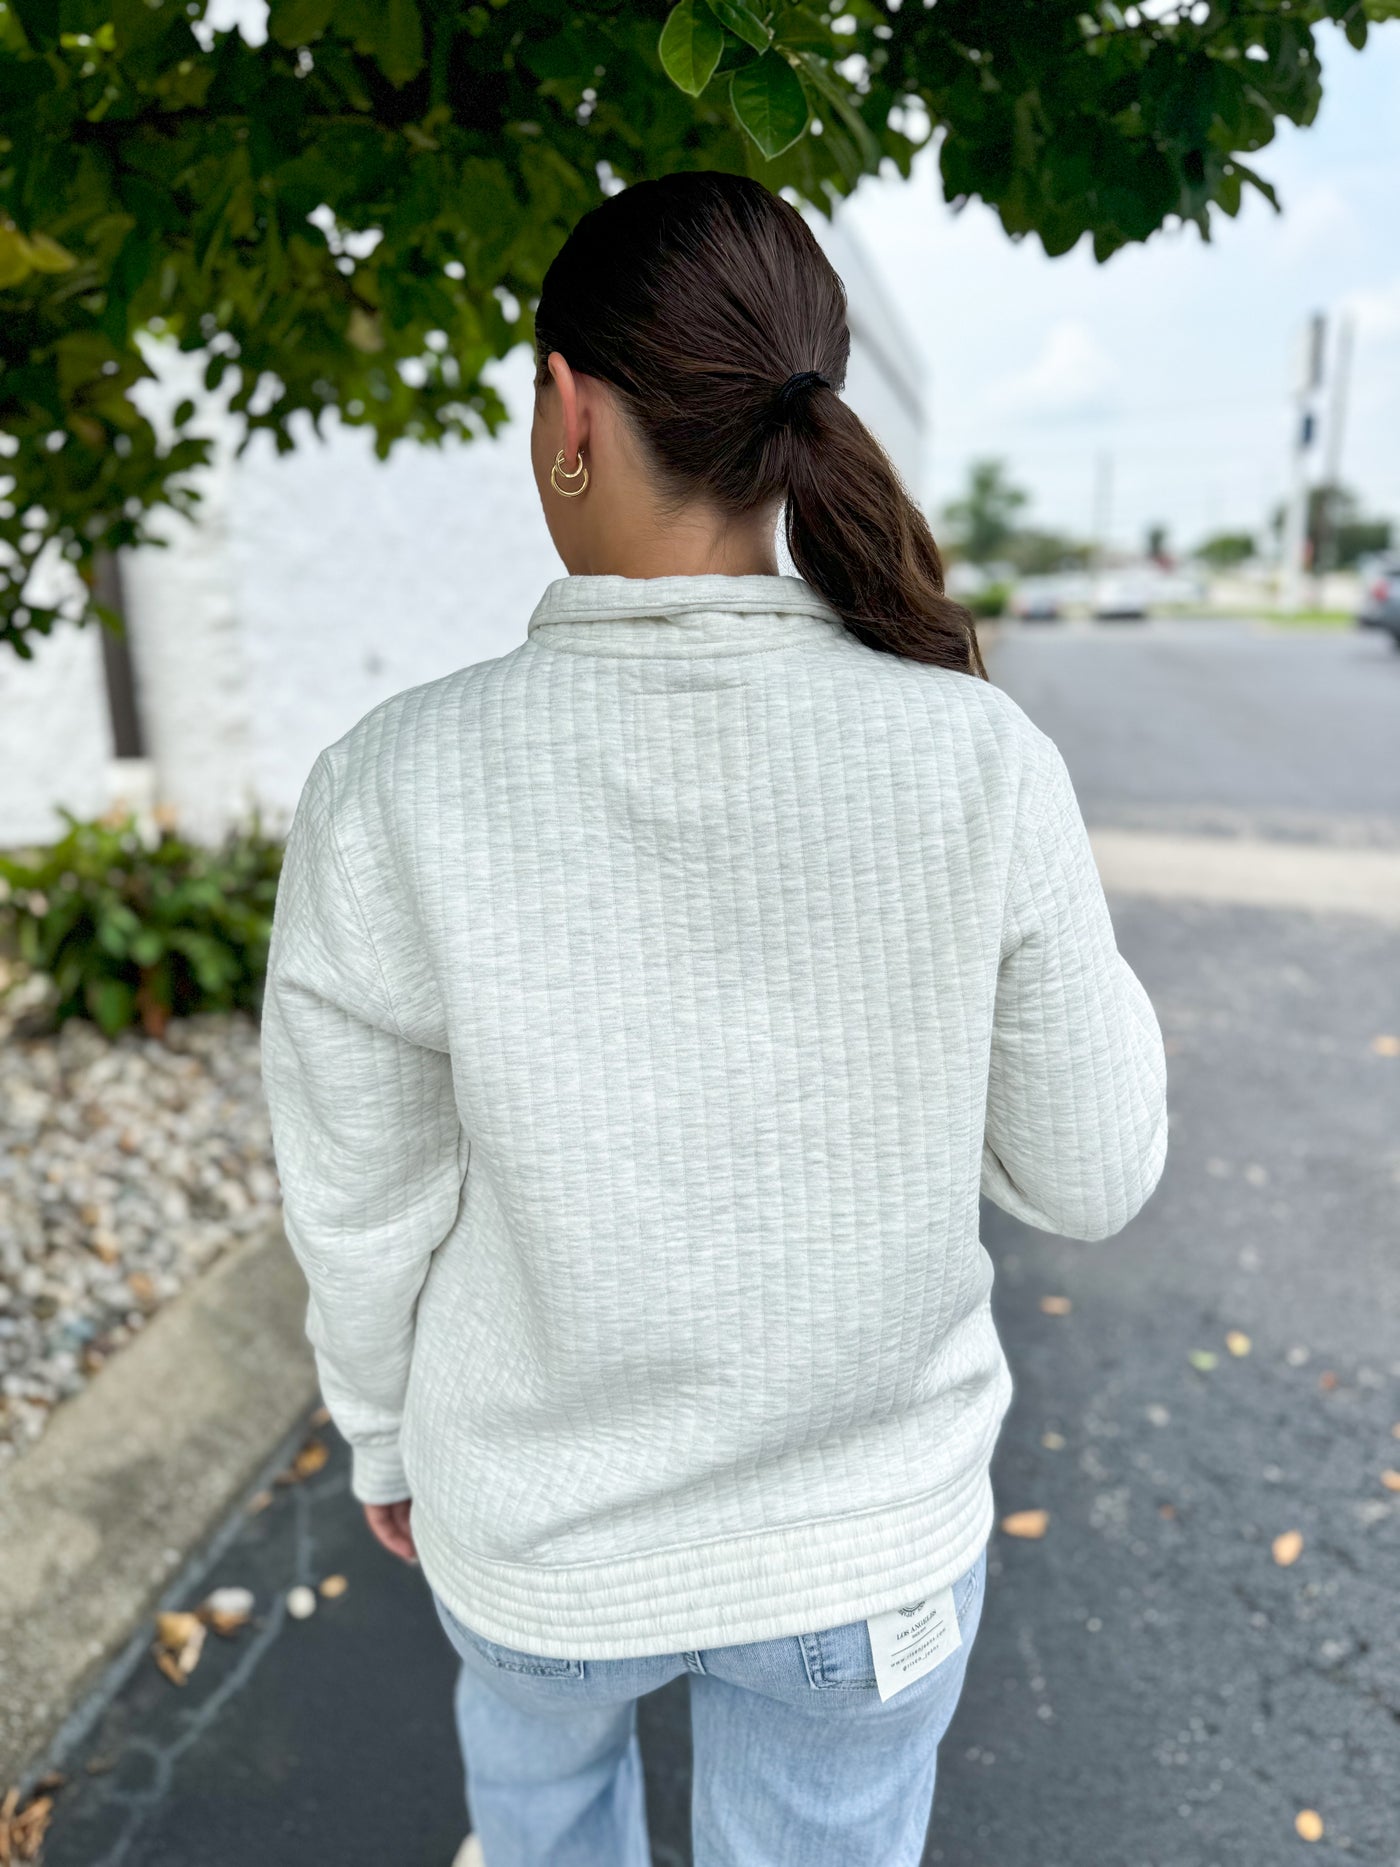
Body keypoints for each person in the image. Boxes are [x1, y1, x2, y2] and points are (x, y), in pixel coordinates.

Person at [260, 171, 1168, 1867]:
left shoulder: (391, 785)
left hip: (536, 1541)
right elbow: (1096, 1171)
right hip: (866, 1555)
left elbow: (363, 1204)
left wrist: (386, 1437)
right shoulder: (976, 757)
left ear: (565, 406)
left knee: (542, 1834)